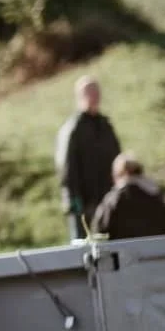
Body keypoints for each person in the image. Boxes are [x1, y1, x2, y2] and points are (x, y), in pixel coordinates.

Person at [54, 74, 121, 238]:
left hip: (106, 200)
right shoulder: (73, 129)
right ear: (80, 96)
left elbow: (117, 160)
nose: (94, 96)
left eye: (96, 92)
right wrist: (73, 200)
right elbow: (66, 168)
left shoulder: (105, 126)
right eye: (90, 93)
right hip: (83, 203)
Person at [92, 153, 165, 240]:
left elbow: (99, 231)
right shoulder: (156, 195)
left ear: (118, 173)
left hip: (121, 252)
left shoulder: (113, 199)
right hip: (156, 250)